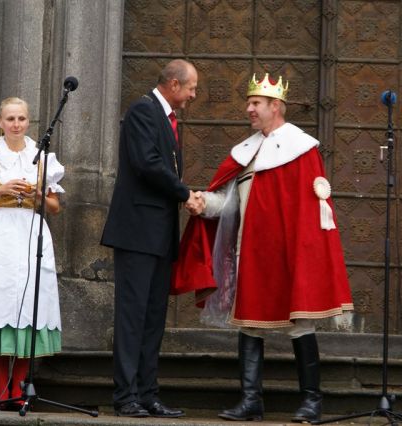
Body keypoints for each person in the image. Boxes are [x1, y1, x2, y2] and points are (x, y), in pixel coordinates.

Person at [173, 73, 354, 422]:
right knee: (249, 325)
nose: (249, 109)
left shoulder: (302, 149)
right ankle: (251, 401)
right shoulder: (247, 151)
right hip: (250, 254)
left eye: (255, 103)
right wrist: (203, 203)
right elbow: (231, 205)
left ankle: (311, 402)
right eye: (249, 103)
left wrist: (306, 258)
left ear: (276, 107)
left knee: (300, 324)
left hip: (288, 254)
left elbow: (312, 214)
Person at [100, 59, 202, 418]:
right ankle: (125, 395)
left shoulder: (167, 117)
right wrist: (184, 193)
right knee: (133, 316)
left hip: (158, 234)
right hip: (137, 231)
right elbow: (147, 163)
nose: (192, 95)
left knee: (153, 318)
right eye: (190, 88)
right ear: (173, 84)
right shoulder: (143, 110)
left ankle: (147, 393)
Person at [0, 97, 63, 410]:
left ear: (28, 121)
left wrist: (36, 194)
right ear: (0, 122)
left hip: (31, 232)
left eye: (21, 118)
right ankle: (1, 392)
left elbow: (55, 207)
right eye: (10, 119)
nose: (16, 124)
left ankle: (19, 390)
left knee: (27, 308)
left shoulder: (44, 158)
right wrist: (0, 191)